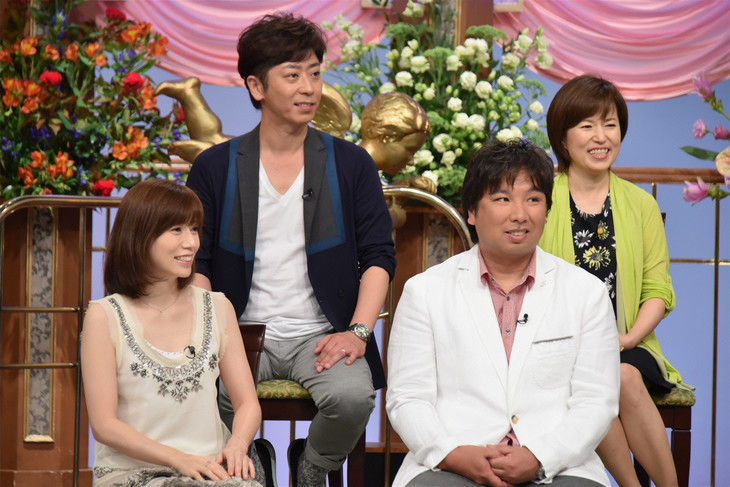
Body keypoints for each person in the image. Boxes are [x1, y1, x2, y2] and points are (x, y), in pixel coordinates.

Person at [186, 12, 396, 487]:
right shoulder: (216, 167)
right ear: (256, 86)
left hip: (321, 334)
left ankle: (311, 465)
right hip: (239, 332)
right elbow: (198, 262)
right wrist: (211, 335)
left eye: (315, 74)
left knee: (352, 398)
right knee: (203, 396)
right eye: (293, 75)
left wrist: (357, 332)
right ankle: (250, 457)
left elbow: (379, 256)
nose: (309, 88)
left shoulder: (350, 164)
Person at [387, 139, 620, 487]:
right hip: (452, 462)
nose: (520, 214)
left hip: (559, 465)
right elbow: (407, 399)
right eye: (502, 199)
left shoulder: (586, 293)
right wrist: (454, 454)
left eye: (533, 199)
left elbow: (597, 402)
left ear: (546, 210)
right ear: (471, 212)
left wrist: (540, 457)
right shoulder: (425, 291)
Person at [539, 74, 690, 487]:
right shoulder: (541, 200)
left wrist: (625, 339)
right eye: (586, 125)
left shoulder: (641, 205)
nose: (601, 136)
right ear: (562, 137)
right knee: (593, 374)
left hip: (630, 345)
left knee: (618, 374)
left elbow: (658, 291)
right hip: (558, 344)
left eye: (610, 124)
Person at [81, 178, 262, 486]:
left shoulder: (217, 306)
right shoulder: (104, 315)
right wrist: (178, 459)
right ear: (139, 236)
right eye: (176, 230)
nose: (191, 243)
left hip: (210, 471)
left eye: (194, 229)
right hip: (133, 474)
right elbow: (104, 425)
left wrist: (237, 444)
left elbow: (247, 404)